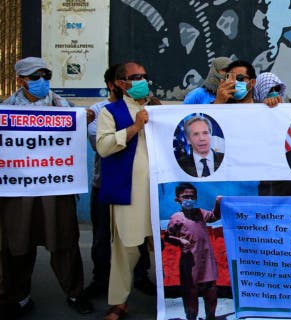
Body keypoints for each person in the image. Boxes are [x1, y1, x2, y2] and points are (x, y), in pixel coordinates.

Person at [1, 57, 93, 315]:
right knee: (18, 242)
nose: (41, 81)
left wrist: (86, 117)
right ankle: (19, 296)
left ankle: (75, 294)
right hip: (19, 190)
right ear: (21, 80)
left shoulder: (63, 106)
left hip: (55, 188)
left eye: (44, 76)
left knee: (64, 239)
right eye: (34, 77)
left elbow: (85, 129)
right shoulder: (6, 109)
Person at [97, 61, 160, 320]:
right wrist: (134, 128)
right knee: (126, 249)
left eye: (145, 76)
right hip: (129, 192)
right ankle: (118, 303)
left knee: (163, 246)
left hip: (159, 193)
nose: (142, 80)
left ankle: (174, 299)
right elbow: (103, 147)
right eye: (136, 77)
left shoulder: (157, 109)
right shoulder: (110, 112)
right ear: (122, 84)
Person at [165, 183, 221, 320]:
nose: (189, 199)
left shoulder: (200, 213)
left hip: (206, 259)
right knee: (190, 292)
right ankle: (191, 316)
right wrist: (180, 241)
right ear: (177, 199)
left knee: (211, 290)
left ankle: (210, 316)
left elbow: (214, 216)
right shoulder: (176, 218)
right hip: (190, 261)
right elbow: (168, 237)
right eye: (185, 197)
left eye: (192, 196)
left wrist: (218, 203)